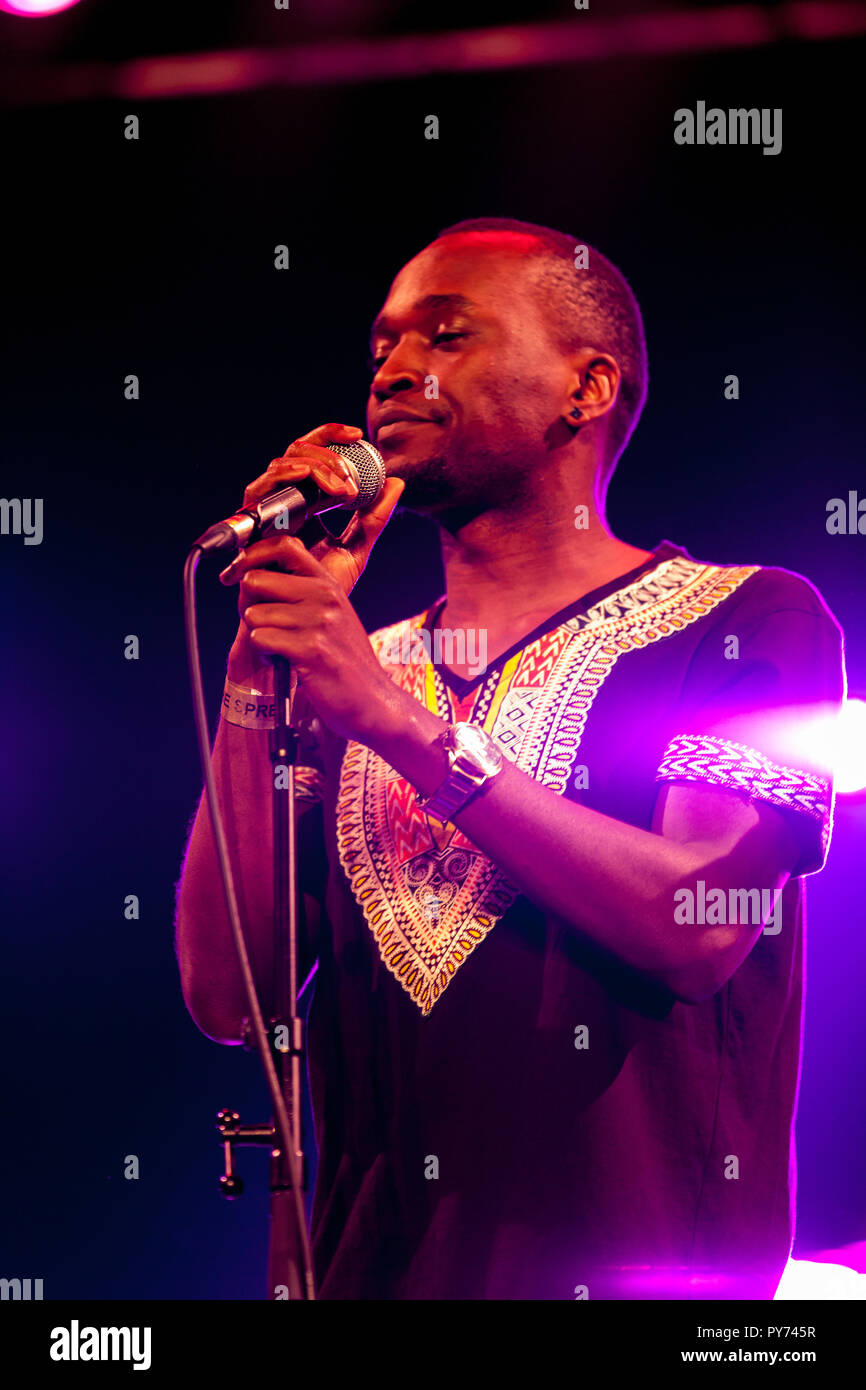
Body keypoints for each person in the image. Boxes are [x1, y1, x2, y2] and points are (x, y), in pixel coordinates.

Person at [175, 218, 845, 1300]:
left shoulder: (746, 618)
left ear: (583, 389)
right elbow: (225, 994)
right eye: (383, 346)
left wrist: (401, 728)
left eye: (446, 336)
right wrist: (258, 666)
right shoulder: (352, 665)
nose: (393, 370)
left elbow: (699, 926)